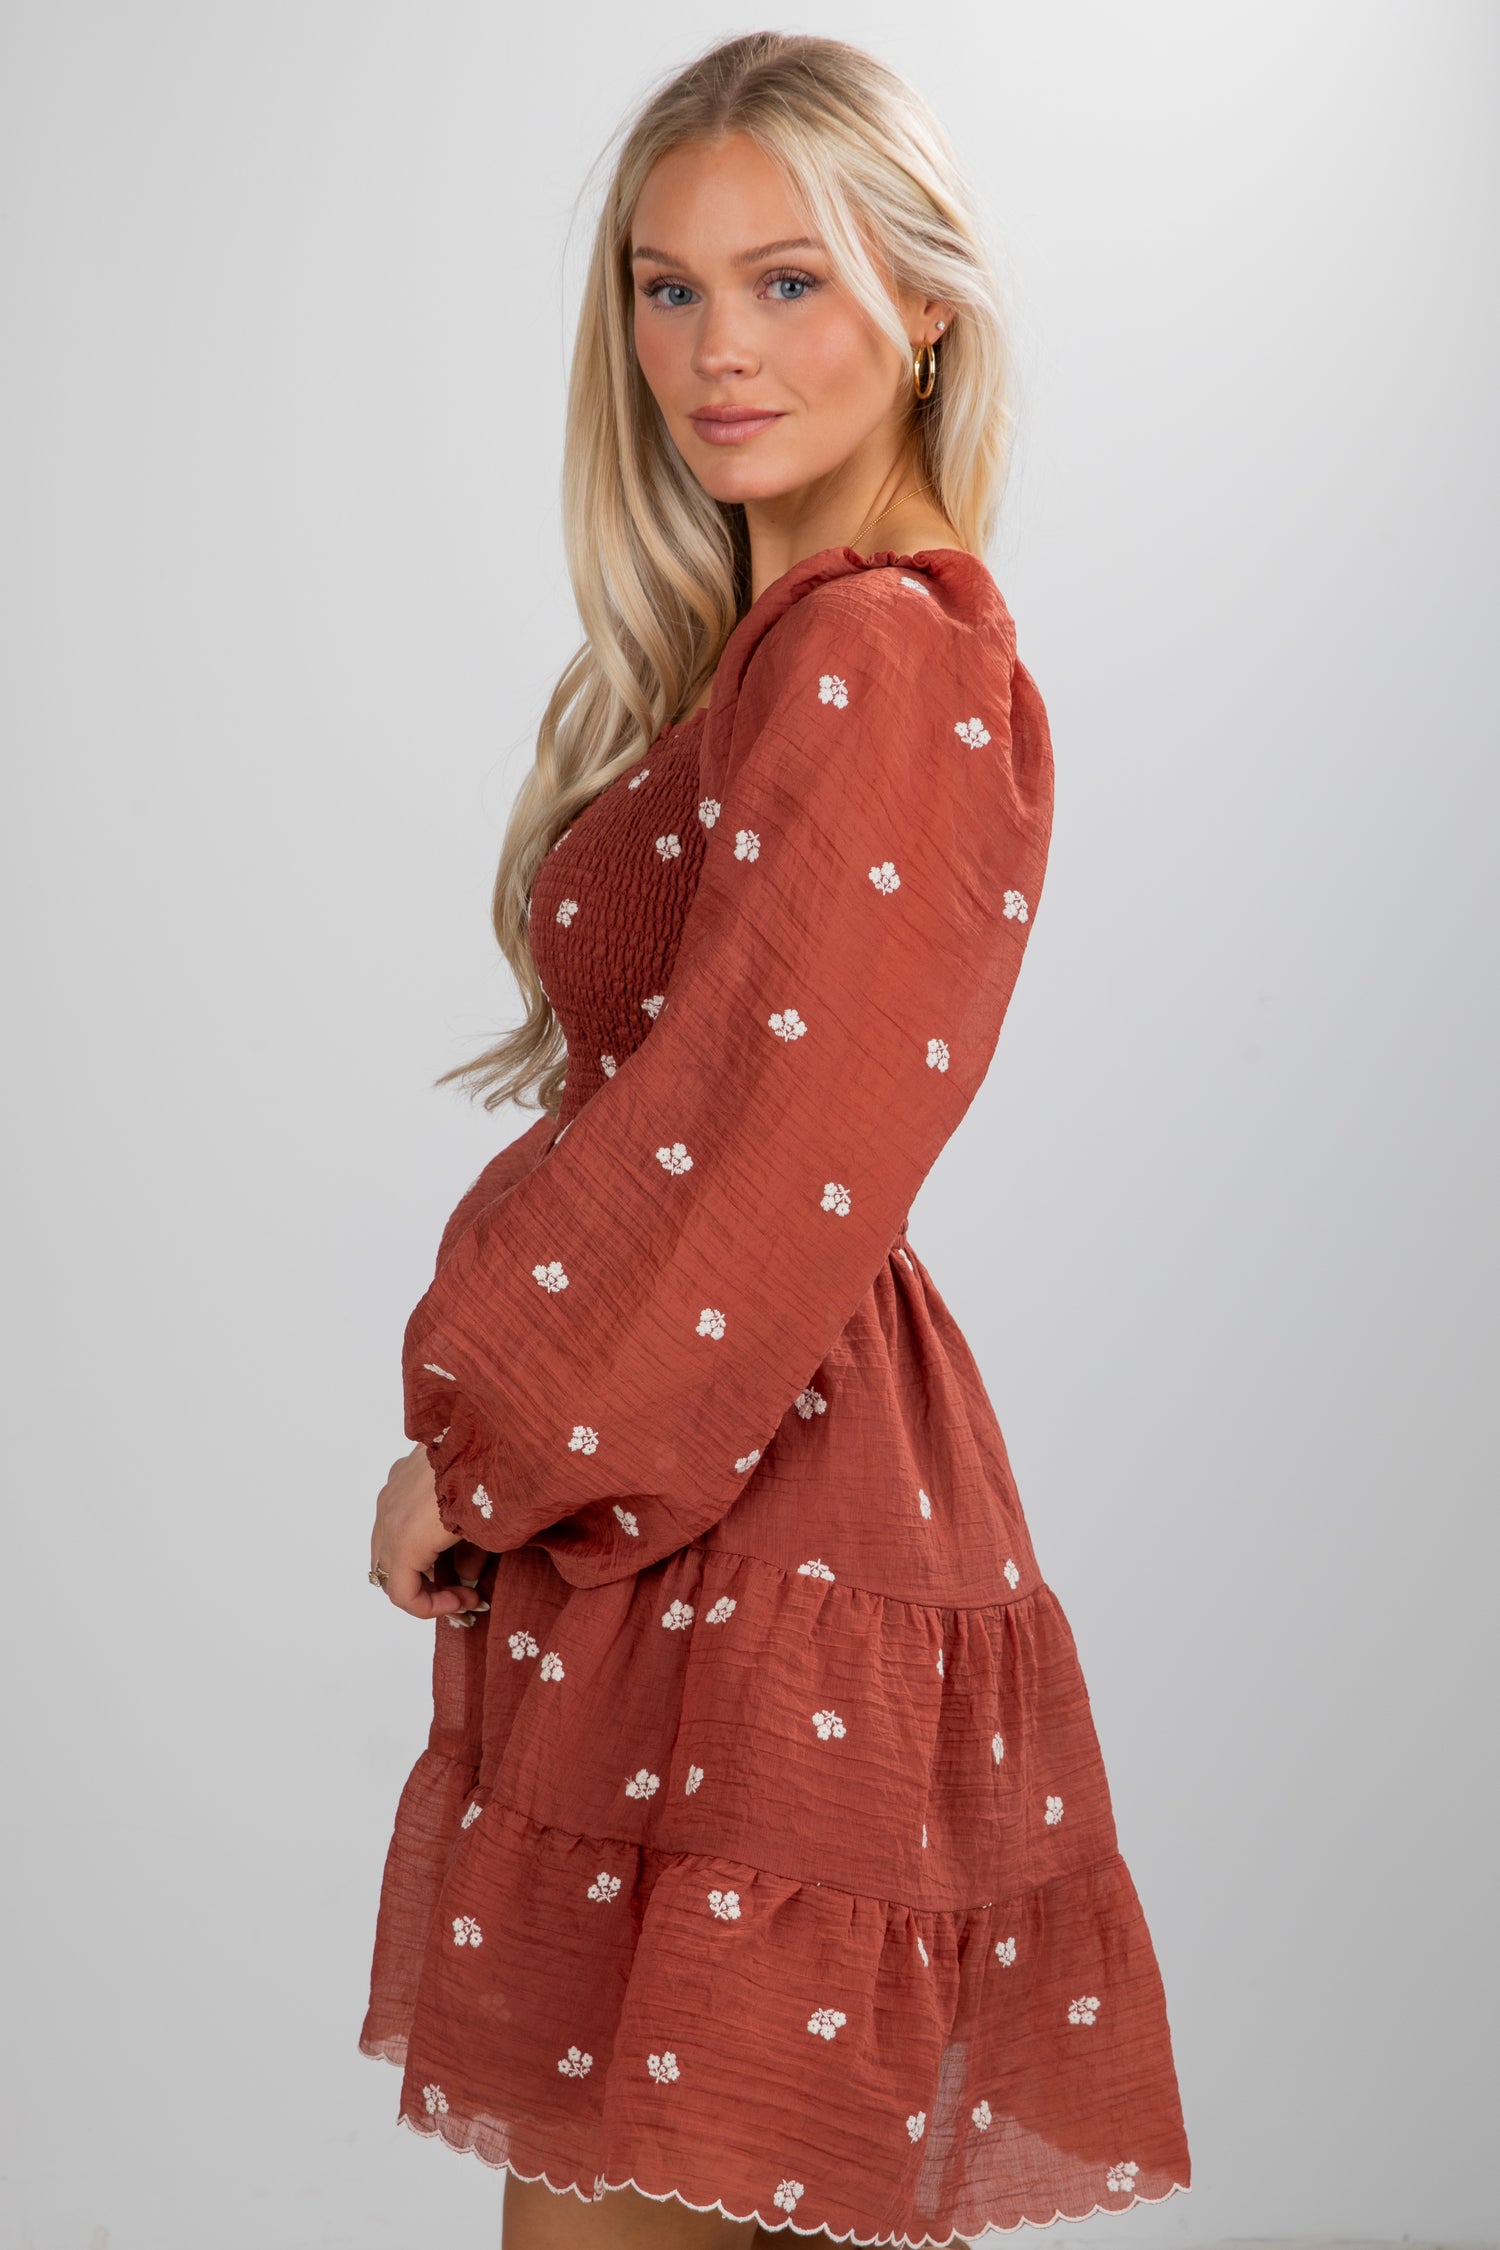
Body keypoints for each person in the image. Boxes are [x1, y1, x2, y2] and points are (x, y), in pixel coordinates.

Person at [360, 30, 1191, 2248]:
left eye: (788, 282)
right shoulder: (808, 649)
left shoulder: (876, 661)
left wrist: (493, 1443)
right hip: (725, 1517)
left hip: (739, 1515)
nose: (716, 353)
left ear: (924, 305)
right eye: (666, 289)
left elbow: (754, 1144)